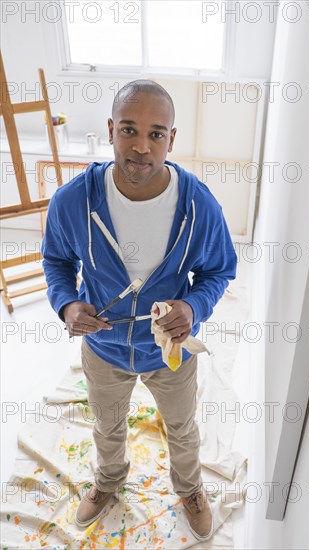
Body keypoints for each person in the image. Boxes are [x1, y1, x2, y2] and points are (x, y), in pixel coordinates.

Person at [41, 80, 237, 539]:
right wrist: (67, 304)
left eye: (156, 133)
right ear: (111, 130)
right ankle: (109, 481)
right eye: (129, 129)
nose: (141, 146)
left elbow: (219, 271)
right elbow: (56, 260)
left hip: (171, 352)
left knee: (183, 428)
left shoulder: (199, 206)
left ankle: (189, 488)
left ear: (172, 138)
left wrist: (193, 305)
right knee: (107, 427)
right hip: (104, 349)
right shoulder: (74, 201)